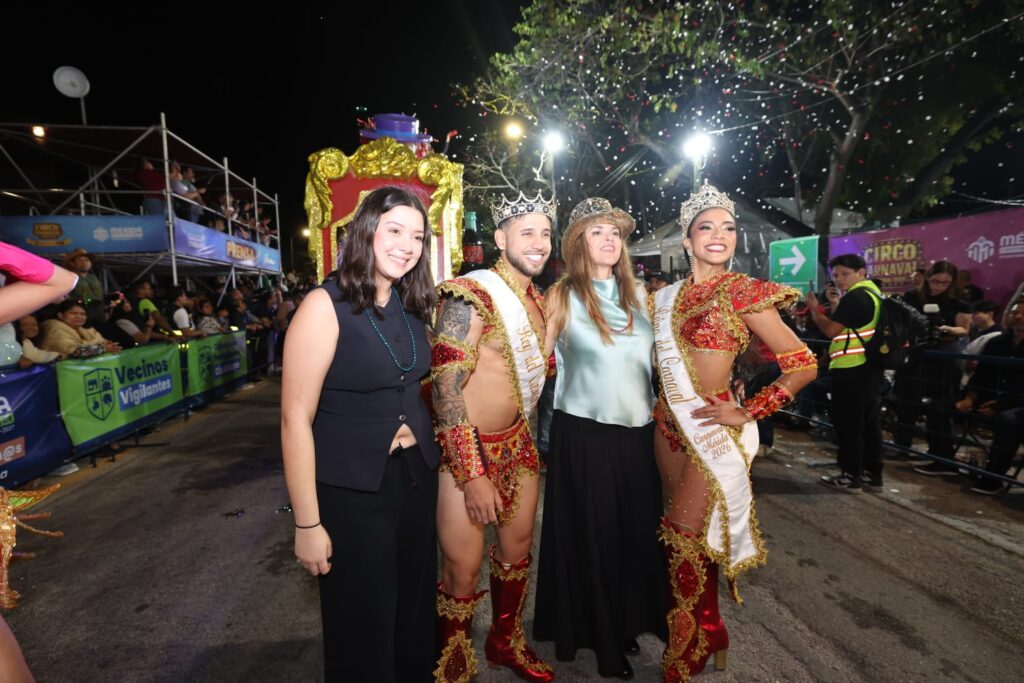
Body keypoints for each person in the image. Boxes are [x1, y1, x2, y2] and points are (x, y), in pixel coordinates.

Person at [650, 184, 816, 681]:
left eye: (728, 227)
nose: (719, 235)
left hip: (712, 432)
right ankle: (709, 624)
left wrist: (750, 412)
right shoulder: (664, 298)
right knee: (689, 537)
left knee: (682, 535)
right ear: (686, 238)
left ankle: (689, 641)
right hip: (665, 427)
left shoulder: (742, 291)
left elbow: (802, 364)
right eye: (707, 227)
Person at [280, 186, 439, 682]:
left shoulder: (413, 308)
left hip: (415, 480)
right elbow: (294, 420)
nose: (406, 245)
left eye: (416, 236)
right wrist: (307, 525)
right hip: (351, 492)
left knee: (414, 614)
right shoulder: (323, 306)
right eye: (394, 230)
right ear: (365, 231)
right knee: (361, 623)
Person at [532, 198, 666, 680]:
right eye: (596, 232)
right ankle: (602, 638)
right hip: (585, 435)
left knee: (634, 536)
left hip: (638, 438)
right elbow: (533, 368)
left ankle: (626, 619)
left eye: (614, 232)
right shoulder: (562, 295)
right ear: (578, 244)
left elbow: (661, 369)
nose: (608, 239)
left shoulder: (641, 298)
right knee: (596, 536)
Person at [431, 191, 555, 683]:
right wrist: (472, 474)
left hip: (519, 445)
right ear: (501, 239)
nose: (540, 242)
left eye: (546, 233)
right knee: (462, 568)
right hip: (468, 452)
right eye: (528, 232)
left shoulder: (539, 301)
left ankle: (505, 642)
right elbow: (444, 386)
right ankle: (454, 663)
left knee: (517, 552)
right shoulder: (470, 293)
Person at [806, 254, 886, 492]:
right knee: (869, 423)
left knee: (849, 424)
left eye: (845, 274)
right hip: (868, 368)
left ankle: (851, 475)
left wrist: (814, 310)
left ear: (861, 272)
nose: (839, 279)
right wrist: (834, 307)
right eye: (836, 275)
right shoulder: (873, 294)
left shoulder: (856, 297)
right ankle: (873, 475)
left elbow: (831, 330)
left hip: (852, 369)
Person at [894, 261, 971, 475]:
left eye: (945, 282)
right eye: (935, 281)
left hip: (944, 357)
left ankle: (938, 454)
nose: (939, 286)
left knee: (938, 406)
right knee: (906, 401)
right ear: (928, 278)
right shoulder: (912, 298)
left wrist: (948, 330)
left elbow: (964, 329)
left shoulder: (959, 301)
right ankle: (902, 446)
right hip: (915, 354)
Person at [957, 301, 1024, 494]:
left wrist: (1001, 405)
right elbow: (982, 375)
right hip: (990, 396)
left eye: (1022, 313)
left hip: (1016, 403)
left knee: (1009, 421)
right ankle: (941, 459)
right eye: (1014, 313)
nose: (1017, 317)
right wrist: (969, 398)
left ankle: (993, 478)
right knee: (941, 406)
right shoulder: (997, 343)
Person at [38, 300, 120, 357]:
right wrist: (102, 348)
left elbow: (105, 343)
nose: (79, 316)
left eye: (83, 314)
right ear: (60, 315)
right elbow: (75, 352)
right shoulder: (53, 327)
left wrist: (107, 346)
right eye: (74, 313)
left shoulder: (87, 329)